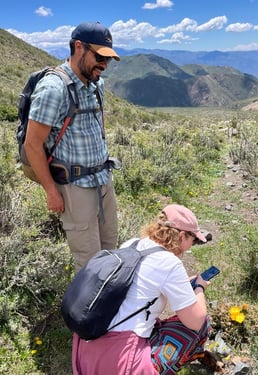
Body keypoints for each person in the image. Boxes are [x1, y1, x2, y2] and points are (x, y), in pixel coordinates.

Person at [23, 22, 120, 270]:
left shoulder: (97, 84)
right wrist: (51, 192)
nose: (104, 65)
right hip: (75, 188)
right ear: (79, 47)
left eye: (108, 59)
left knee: (111, 252)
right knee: (89, 263)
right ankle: (88, 309)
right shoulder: (53, 88)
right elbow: (32, 144)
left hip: (103, 180)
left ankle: (110, 305)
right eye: (99, 57)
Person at [72, 204, 212, 375]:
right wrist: (199, 288)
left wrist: (183, 284)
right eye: (194, 240)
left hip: (86, 351)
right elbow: (196, 321)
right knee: (202, 323)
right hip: (120, 361)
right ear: (182, 236)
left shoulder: (132, 244)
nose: (192, 245)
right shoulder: (169, 263)